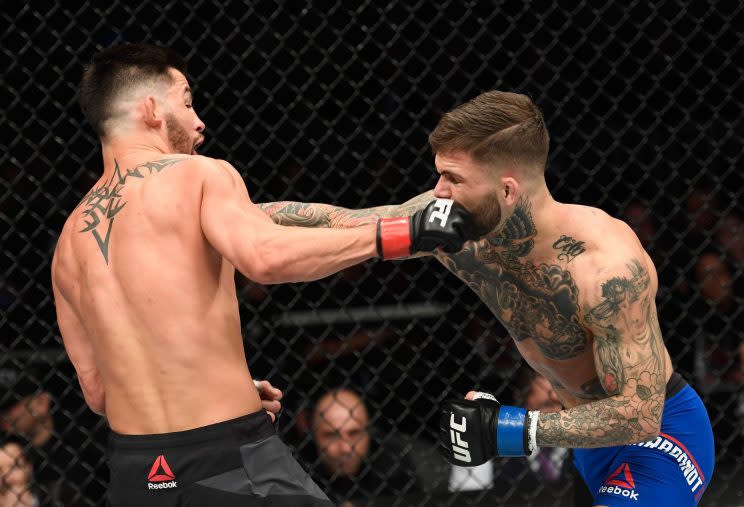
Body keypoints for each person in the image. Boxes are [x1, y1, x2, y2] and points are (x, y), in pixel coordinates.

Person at [50, 43, 477, 506]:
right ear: (152, 108)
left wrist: (220, 387)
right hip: (230, 464)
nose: (199, 122)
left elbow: (98, 391)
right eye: (188, 101)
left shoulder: (69, 242)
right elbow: (265, 256)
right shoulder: (197, 175)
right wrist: (402, 233)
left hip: (136, 476)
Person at [260, 90, 715, 505]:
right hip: (582, 436)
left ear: (507, 190)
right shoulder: (456, 227)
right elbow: (340, 223)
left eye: (452, 178)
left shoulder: (607, 268)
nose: (438, 192)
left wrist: (510, 429)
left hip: (659, 435)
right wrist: (216, 207)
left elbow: (639, 414)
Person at [306, 388, 420, 505]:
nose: (346, 448)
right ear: (314, 436)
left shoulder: (392, 462)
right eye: (331, 435)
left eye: (354, 433)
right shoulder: (297, 468)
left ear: (368, 433)